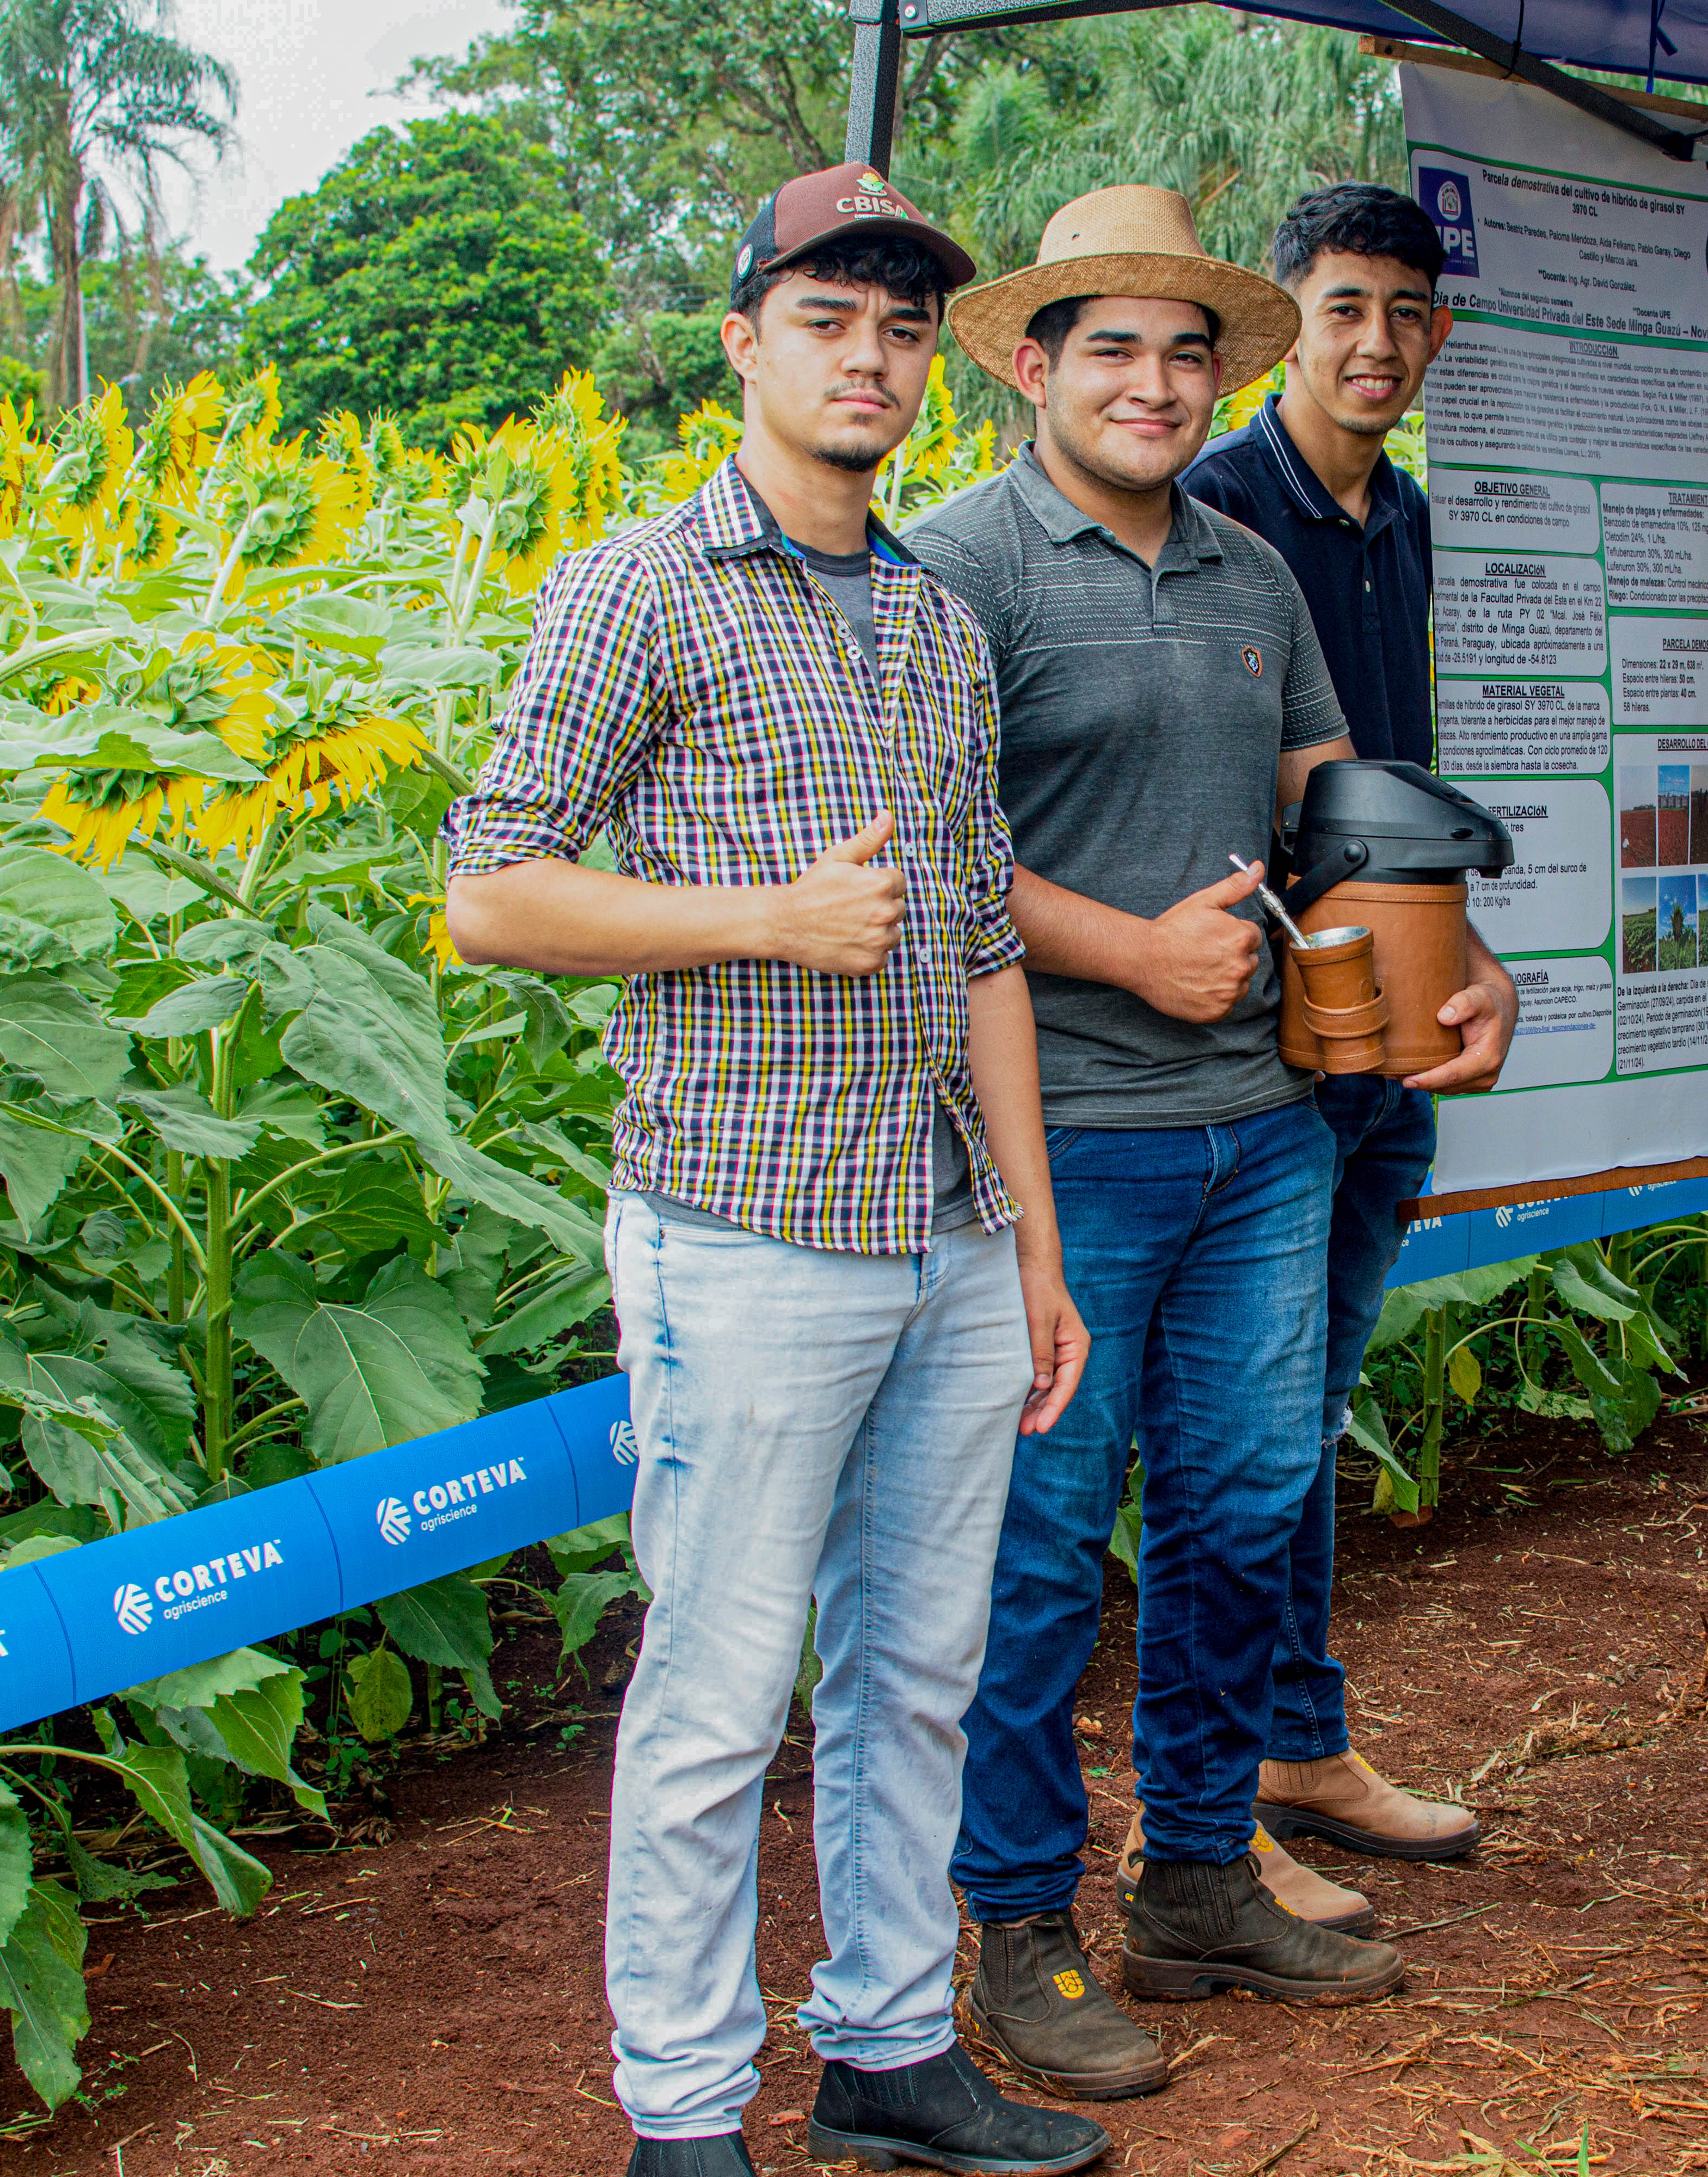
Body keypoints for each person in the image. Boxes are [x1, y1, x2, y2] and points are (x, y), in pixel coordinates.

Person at [440, 166, 1105, 2177]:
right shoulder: (634, 586)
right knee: (720, 1699)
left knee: (918, 1672)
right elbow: (488, 898)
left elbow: (981, 939)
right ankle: (682, 2113)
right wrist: (758, 920)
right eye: (828, 318)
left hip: (944, 1238)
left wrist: (1036, 1249)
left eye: (902, 328)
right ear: (745, 340)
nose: (870, 358)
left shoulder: (931, 618)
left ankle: (891, 2048)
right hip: (744, 1236)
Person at [910, 184, 1509, 2100]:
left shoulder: (1250, 570)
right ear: (1031, 365)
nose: (1156, 385)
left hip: (1263, 1131)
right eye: (1113, 348)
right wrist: (1116, 947)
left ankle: (1187, 1881)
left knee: (1244, 1512)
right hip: (1057, 1143)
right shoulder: (957, 573)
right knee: (1038, 1551)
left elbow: (1331, 796)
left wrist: (1455, 949)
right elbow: (926, 855)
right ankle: (1013, 1922)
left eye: (1186, 353)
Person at [1176, 182, 1501, 1927]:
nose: (1377, 342)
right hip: (1259, 1051)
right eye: (1345, 307)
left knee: (1306, 1413)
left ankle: (1298, 1741)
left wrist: (1469, 958)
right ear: (1288, 323)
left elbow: (1404, 802)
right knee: (1246, 1436)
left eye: (1407, 311)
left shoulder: (1410, 521)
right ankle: (1221, 1801)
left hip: (1388, 1038)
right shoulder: (1215, 507)